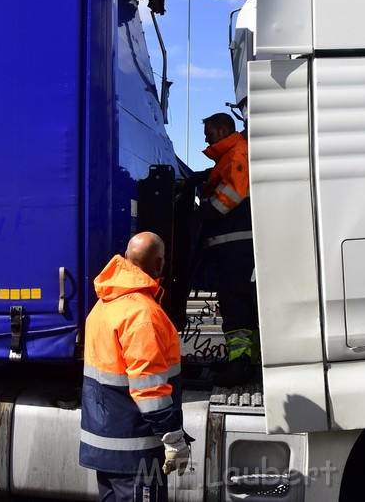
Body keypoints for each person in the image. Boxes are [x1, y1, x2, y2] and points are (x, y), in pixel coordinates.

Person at [80, 232, 190, 502]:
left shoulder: (104, 305)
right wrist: (173, 436)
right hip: (136, 451)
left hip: (106, 445)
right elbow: (149, 387)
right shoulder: (144, 314)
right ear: (160, 264)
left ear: (127, 259)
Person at [197, 112, 259, 387]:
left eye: (209, 134)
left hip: (235, 246)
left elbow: (231, 196)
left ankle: (240, 364)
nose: (206, 139)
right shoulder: (231, 155)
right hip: (234, 246)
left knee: (235, 306)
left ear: (222, 131)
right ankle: (247, 361)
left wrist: (201, 212)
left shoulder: (236, 153)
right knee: (239, 305)